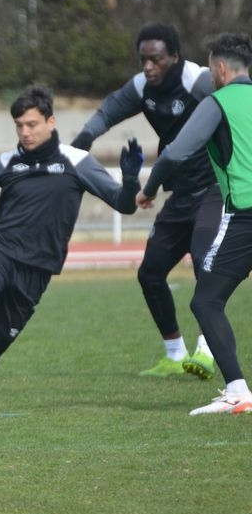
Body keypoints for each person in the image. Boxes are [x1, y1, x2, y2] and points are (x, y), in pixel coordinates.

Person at [0, 85, 140, 403]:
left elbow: (124, 205)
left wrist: (132, 180)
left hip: (38, 269)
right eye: (19, 126)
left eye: (32, 124)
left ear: (51, 122)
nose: (25, 132)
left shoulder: (77, 162)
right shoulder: (7, 162)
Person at [70, 23, 222, 380]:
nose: (148, 67)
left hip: (215, 190)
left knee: (205, 263)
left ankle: (207, 349)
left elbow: (236, 104)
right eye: (143, 59)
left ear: (174, 56)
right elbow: (107, 113)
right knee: (150, 273)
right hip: (180, 195)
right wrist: (79, 144)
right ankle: (174, 354)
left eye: (156, 59)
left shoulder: (198, 80)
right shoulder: (141, 87)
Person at [136, 32, 252, 415]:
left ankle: (236, 390)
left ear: (219, 69)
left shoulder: (217, 102)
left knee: (206, 300)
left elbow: (175, 154)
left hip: (245, 215)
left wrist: (149, 188)